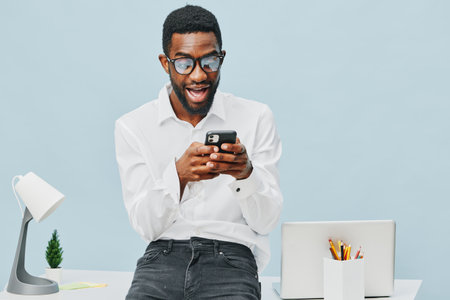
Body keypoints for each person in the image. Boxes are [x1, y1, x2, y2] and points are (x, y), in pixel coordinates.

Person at [115, 5, 282, 300]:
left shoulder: (256, 117)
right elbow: (145, 225)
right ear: (165, 63)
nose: (197, 76)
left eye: (208, 61)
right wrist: (178, 176)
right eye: (183, 63)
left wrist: (245, 174)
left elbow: (266, 221)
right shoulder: (132, 126)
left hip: (231, 259)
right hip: (161, 258)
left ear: (221, 58)